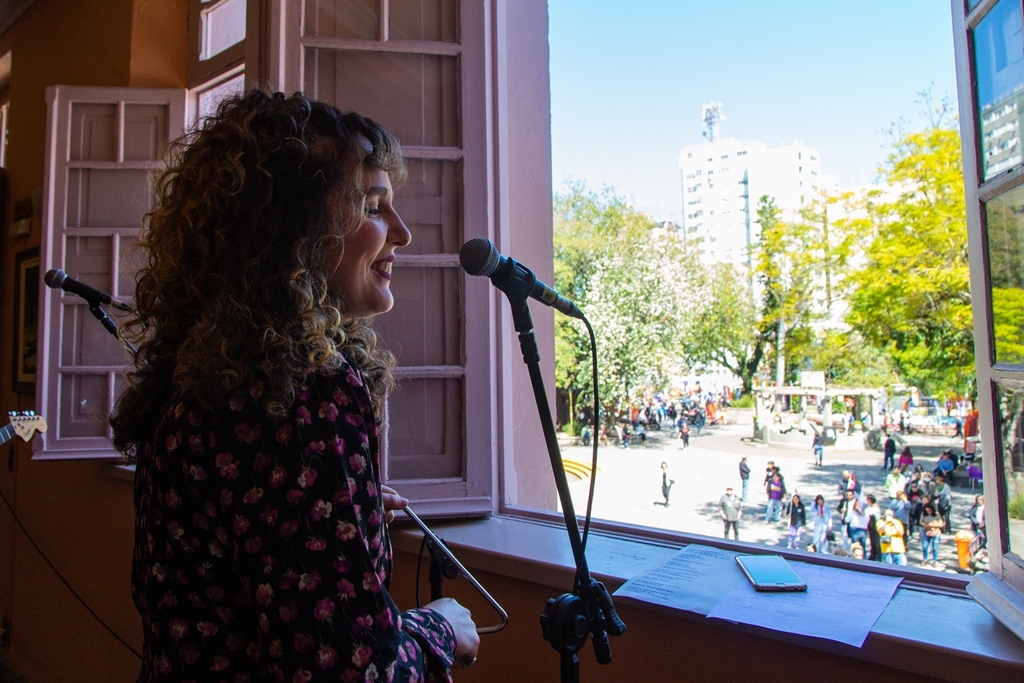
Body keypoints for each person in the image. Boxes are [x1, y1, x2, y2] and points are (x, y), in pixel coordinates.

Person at [111, 90, 479, 681]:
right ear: (293, 229)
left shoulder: (202, 379)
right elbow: (351, 672)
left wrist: (325, 513)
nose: (403, 233)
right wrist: (438, 626)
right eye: (373, 205)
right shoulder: (301, 393)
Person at [921, 502, 944, 567]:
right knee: (925, 546)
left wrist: (933, 525)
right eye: (926, 511)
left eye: (929, 510)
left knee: (935, 547)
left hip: (935, 532)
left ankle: (934, 561)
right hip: (927, 531)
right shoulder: (923, 514)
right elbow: (921, 521)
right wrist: (926, 525)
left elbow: (941, 523)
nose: (928, 512)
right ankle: (925, 559)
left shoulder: (936, 514)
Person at [865, 494, 882, 561]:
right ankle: (873, 554)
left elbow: (869, 514)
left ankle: (878, 556)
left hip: (875, 526)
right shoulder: (870, 507)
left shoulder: (875, 508)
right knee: (872, 541)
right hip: (871, 526)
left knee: (876, 542)